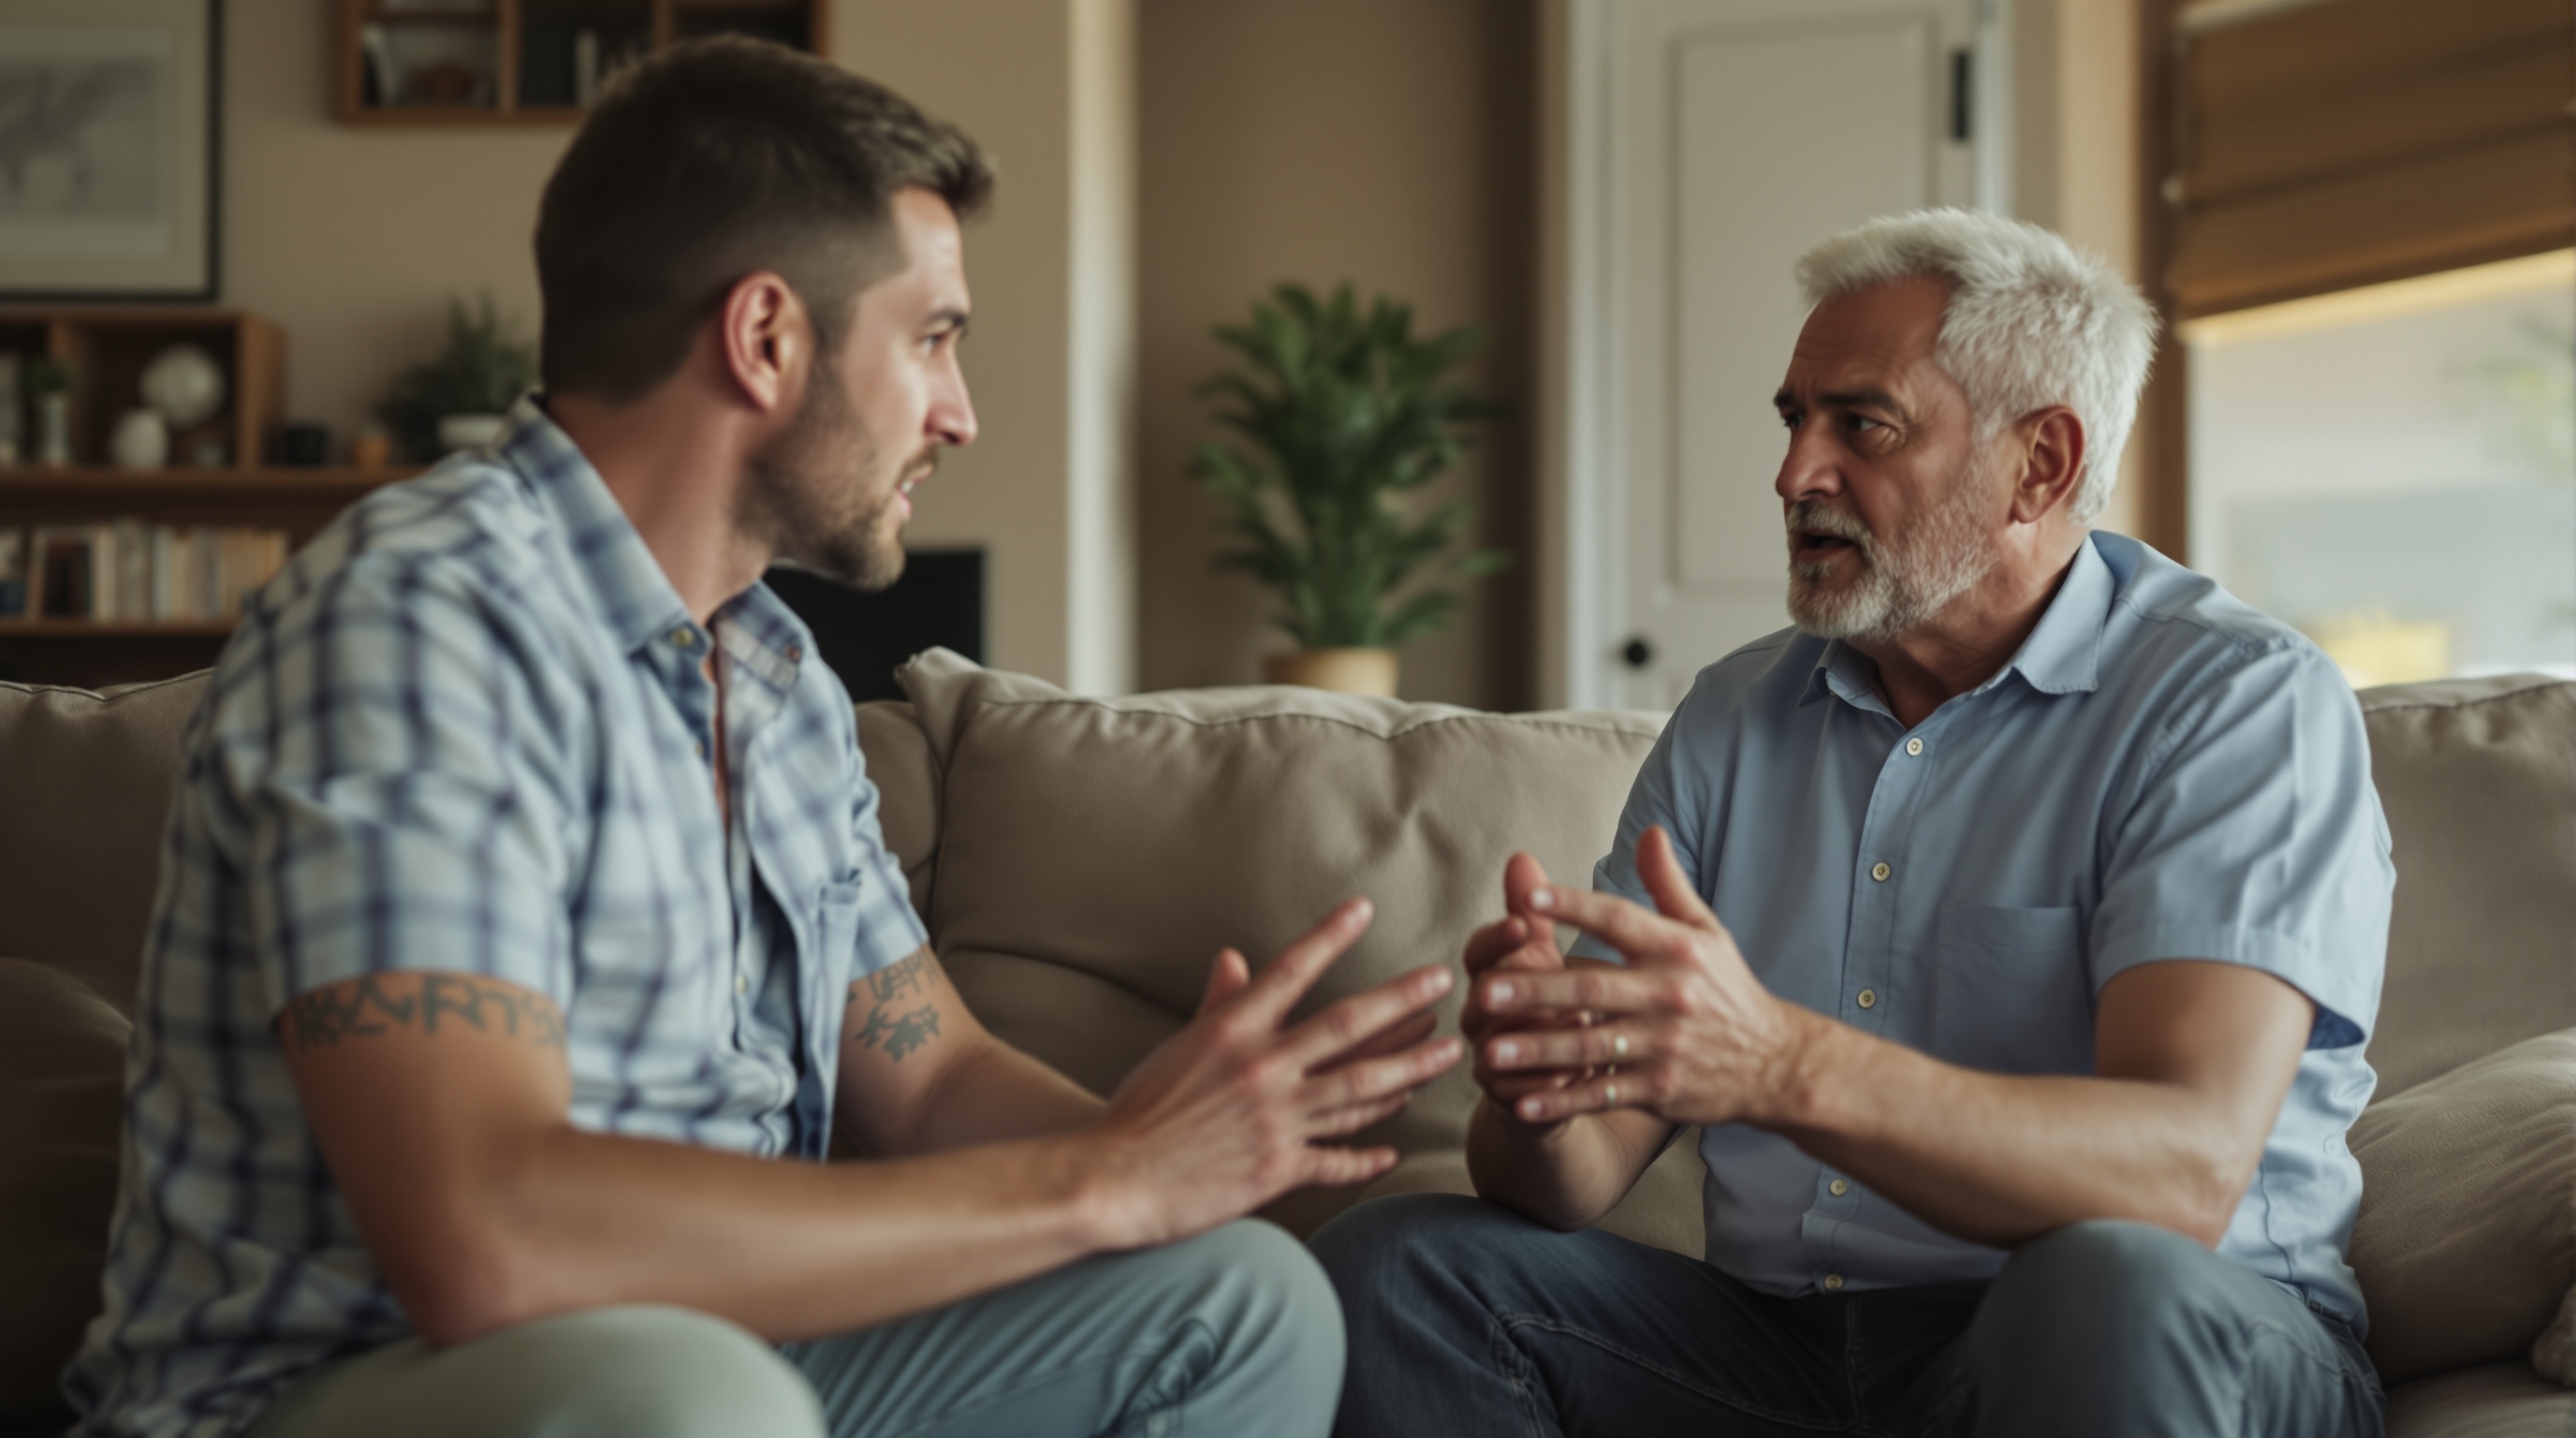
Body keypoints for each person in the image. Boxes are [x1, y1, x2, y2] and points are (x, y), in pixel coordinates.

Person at [66, 38, 1460, 1438]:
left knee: (1241, 1303)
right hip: (337, 1393)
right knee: (692, 1397)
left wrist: (1162, 1145)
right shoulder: (425, 622)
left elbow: (934, 1083)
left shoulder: (777, 681)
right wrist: (1097, 1185)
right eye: (933, 339)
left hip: (723, 1362)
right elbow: (487, 1239)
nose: (961, 412)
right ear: (767, 338)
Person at [1312, 209, 2392, 1437]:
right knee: (1403, 1271)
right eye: (1793, 420)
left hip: (2170, 1334)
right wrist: (1538, 1092)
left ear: (2037, 464)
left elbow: (2180, 1178)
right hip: (1789, 1353)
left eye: (1861, 426)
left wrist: (1773, 1061)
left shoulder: (2235, 703)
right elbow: (1573, 1182)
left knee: (2107, 1283)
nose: (1795, 475)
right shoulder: (1734, 715)